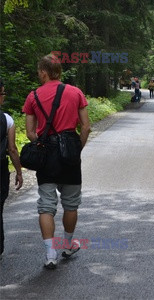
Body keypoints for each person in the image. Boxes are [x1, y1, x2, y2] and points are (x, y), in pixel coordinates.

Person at [22, 54, 91, 269]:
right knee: (70, 204)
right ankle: (68, 245)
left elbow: (31, 133)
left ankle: (50, 254)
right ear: (59, 71)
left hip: (47, 153)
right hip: (70, 149)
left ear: (43, 72)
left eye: (38, 72)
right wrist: (76, 148)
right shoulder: (75, 92)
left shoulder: (33, 96)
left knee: (46, 205)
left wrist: (43, 145)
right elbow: (86, 127)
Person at [0, 79, 23, 256]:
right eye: (3, 93)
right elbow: (12, 149)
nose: (4, 97)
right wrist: (19, 172)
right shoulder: (6, 119)